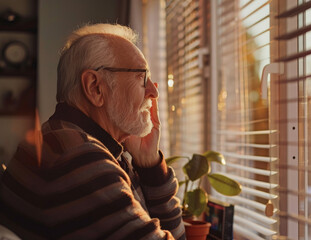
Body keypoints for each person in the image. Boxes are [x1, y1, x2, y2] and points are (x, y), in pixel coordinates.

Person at [0, 23, 185, 239]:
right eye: (141, 77)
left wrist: (149, 164)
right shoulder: (77, 157)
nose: (154, 92)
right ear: (95, 87)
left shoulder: (62, 139)